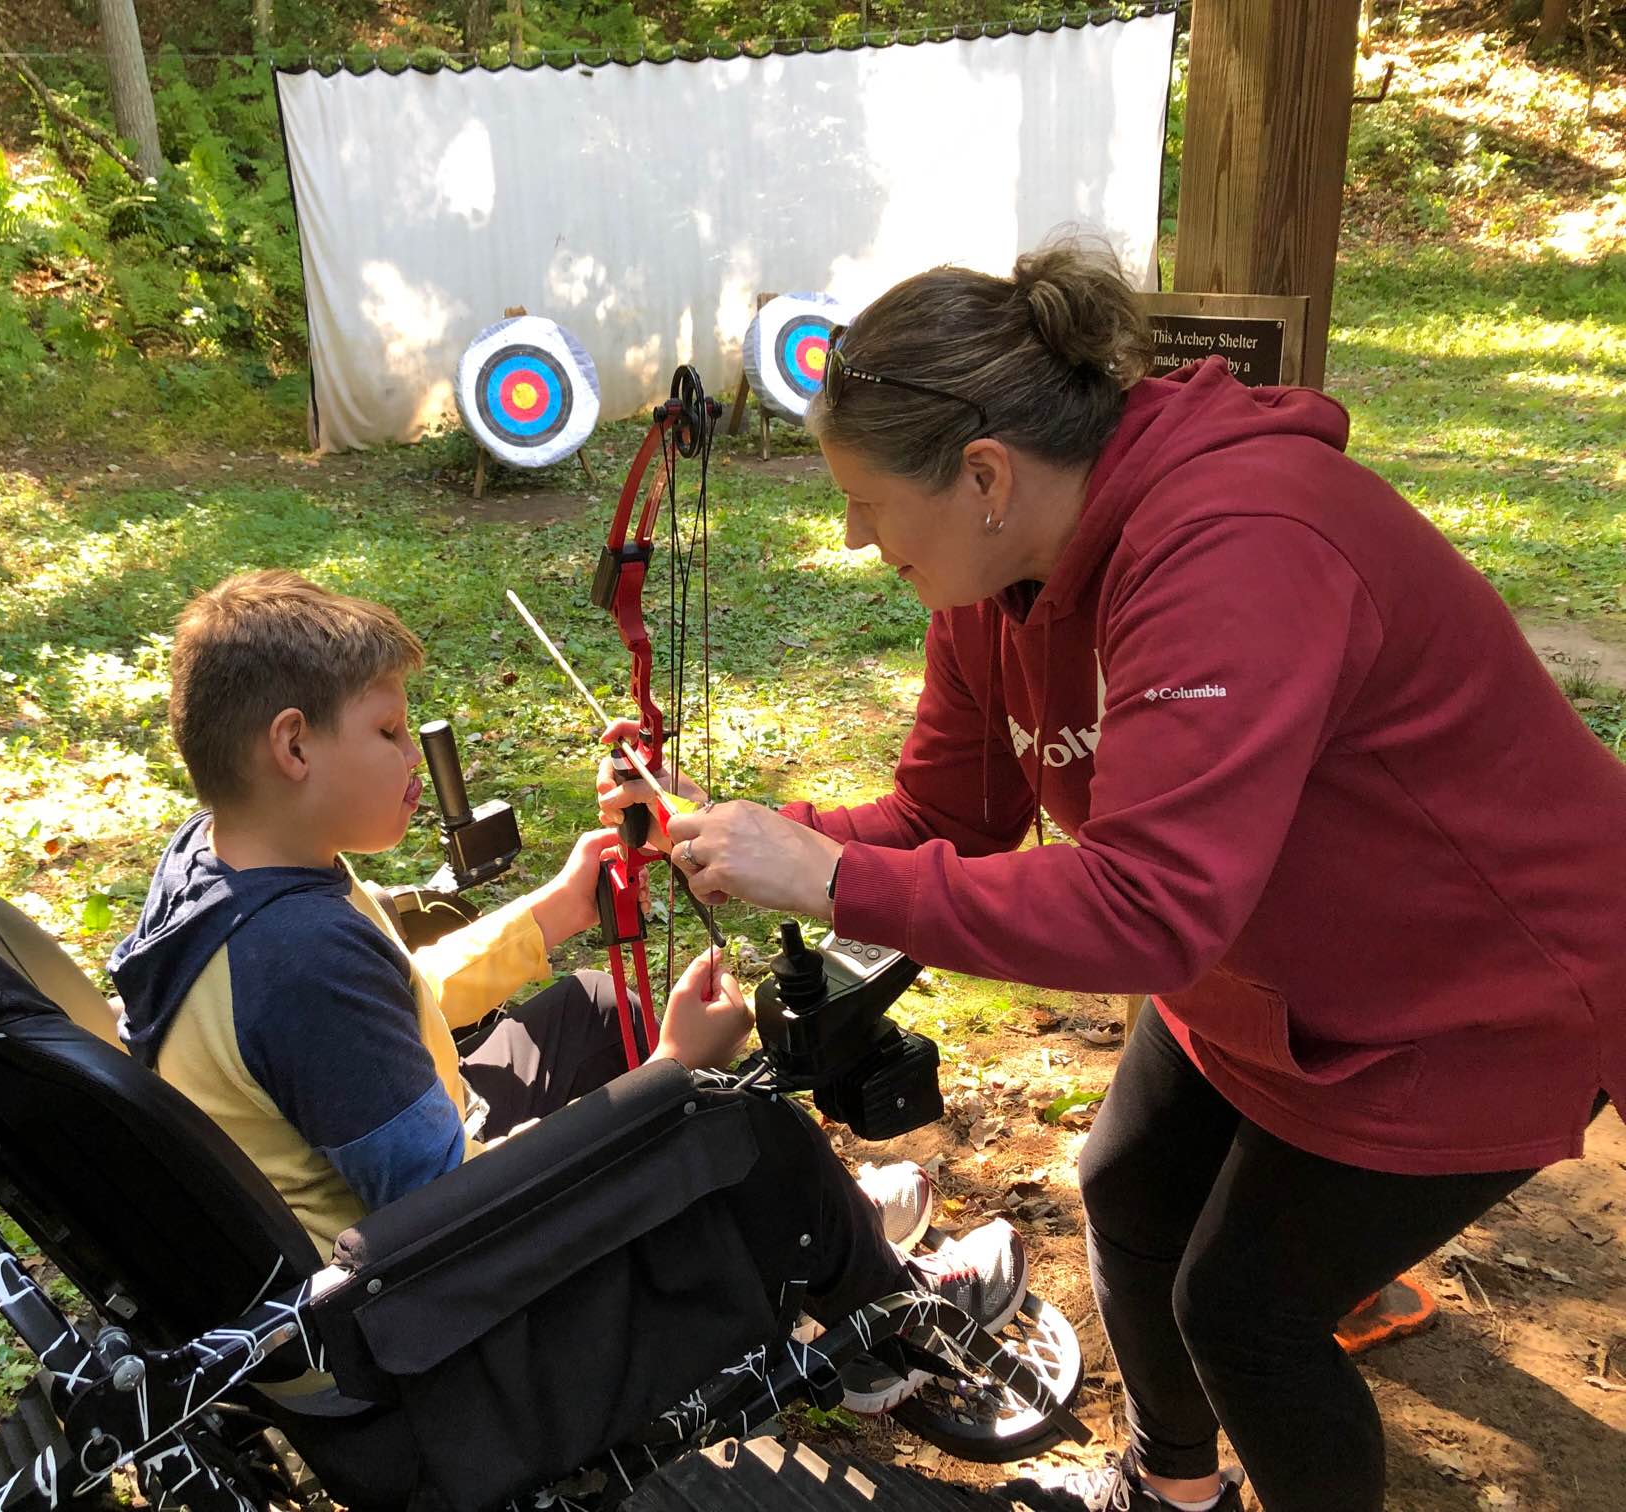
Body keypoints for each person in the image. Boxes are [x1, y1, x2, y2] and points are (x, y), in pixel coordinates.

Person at [603, 245, 1626, 1512]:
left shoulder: (1236, 542)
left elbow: (1151, 905)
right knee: (1129, 1193)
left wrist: (827, 880)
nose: (855, 534)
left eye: (866, 499)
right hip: (1263, 966)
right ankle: (1171, 1489)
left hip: (1473, 986)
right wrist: (747, 834)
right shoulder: (994, 576)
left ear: (984, 476)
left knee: (1243, 1312)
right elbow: (950, 817)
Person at [107, 568, 1027, 1419]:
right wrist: (667, 1077)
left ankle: (813, 1234)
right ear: (293, 745)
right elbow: (448, 1217)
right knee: (734, 1118)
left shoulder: (233, 857)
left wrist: (547, 916)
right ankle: (884, 1330)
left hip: (395, 1200)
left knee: (596, 1006)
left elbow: (396, 1002)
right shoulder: (299, 961)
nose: (411, 758)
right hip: (397, 1325)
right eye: (388, 731)